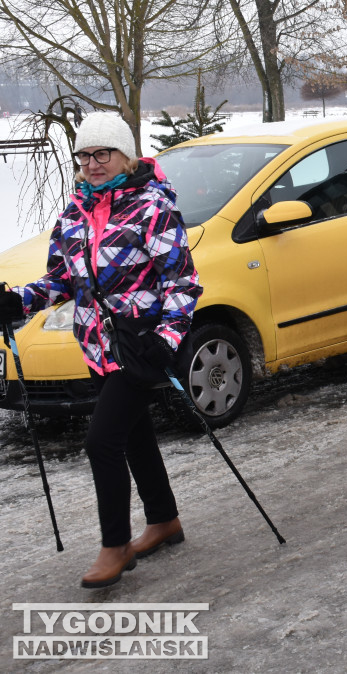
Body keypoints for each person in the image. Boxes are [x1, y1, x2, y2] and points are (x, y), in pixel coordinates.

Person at [0, 112, 201, 588]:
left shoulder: (152, 208)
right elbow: (63, 280)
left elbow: (183, 282)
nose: (92, 164)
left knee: (101, 441)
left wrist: (166, 339)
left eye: (102, 153)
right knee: (134, 435)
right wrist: (17, 302)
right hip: (97, 345)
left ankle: (116, 546)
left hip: (141, 344)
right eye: (84, 155)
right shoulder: (73, 214)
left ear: (124, 156)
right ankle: (164, 520)